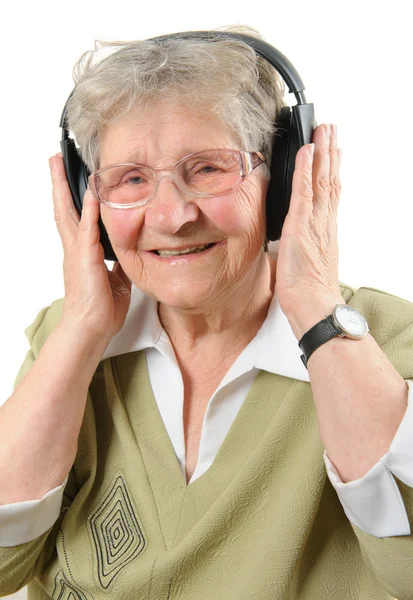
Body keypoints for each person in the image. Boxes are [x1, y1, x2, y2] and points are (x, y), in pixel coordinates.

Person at [0, 27, 412, 600]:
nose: (171, 216)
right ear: (88, 203)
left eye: (209, 169)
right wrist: (79, 330)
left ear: (282, 179)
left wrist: (315, 304)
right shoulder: (68, 339)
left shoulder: (384, 343)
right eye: (132, 180)